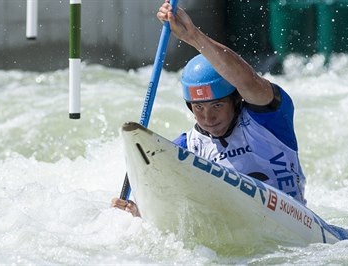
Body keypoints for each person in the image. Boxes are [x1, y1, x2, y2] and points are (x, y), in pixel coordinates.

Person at [112, 0, 306, 217]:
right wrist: (140, 212)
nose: (208, 117)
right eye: (199, 107)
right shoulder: (186, 149)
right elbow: (169, 204)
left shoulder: (269, 119)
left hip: (295, 226)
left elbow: (248, 81)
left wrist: (192, 36)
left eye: (216, 105)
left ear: (235, 99)